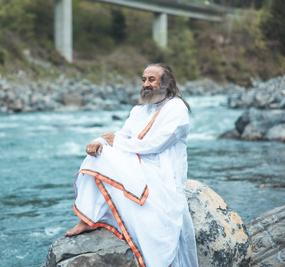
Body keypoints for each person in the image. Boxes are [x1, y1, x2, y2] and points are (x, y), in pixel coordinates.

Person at [65, 63, 199, 267]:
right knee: (96, 155)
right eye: (144, 79)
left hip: (163, 175)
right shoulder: (139, 110)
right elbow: (122, 134)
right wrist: (99, 141)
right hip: (138, 163)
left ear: (167, 82)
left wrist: (112, 142)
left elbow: (155, 144)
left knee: (105, 155)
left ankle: (92, 218)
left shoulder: (177, 109)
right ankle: (87, 220)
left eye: (152, 79)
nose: (146, 84)